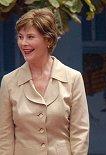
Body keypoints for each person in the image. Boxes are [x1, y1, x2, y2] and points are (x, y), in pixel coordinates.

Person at [0, 8, 89, 155]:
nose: (23, 43)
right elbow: (5, 137)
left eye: (30, 37)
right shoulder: (9, 82)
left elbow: (80, 133)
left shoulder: (73, 78)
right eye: (20, 37)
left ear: (48, 40)